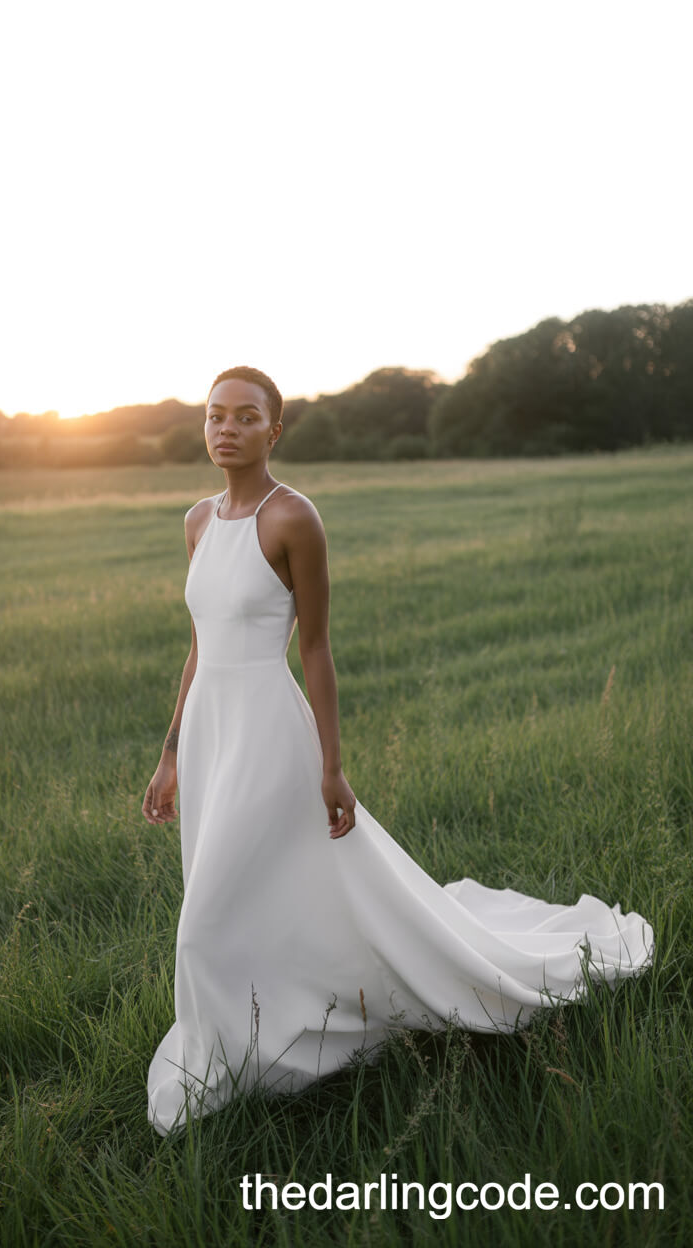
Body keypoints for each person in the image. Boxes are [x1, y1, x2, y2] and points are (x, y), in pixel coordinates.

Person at [143, 365, 653, 1138]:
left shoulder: (293, 520)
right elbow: (198, 647)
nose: (226, 428)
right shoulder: (195, 522)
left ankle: (231, 1057)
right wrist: (172, 751)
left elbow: (314, 650)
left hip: (269, 736)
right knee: (244, 899)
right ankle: (263, 1024)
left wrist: (332, 766)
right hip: (212, 732)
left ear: (273, 431)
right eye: (215, 415)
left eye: (246, 417)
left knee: (202, 921)